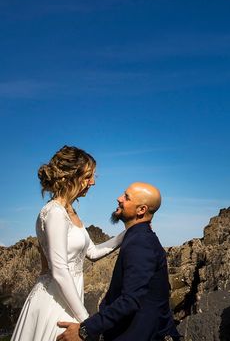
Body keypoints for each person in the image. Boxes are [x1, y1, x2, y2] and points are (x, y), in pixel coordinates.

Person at [11, 146, 126, 341]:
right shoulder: (54, 212)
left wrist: (127, 233)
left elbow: (93, 252)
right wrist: (86, 323)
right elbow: (59, 270)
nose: (93, 182)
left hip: (69, 298)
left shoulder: (69, 211)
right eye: (88, 176)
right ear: (71, 176)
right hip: (54, 302)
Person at [57, 182, 180, 341]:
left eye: (126, 197)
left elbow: (130, 300)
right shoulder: (137, 236)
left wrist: (84, 330)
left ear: (141, 210)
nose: (119, 198)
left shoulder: (141, 242)